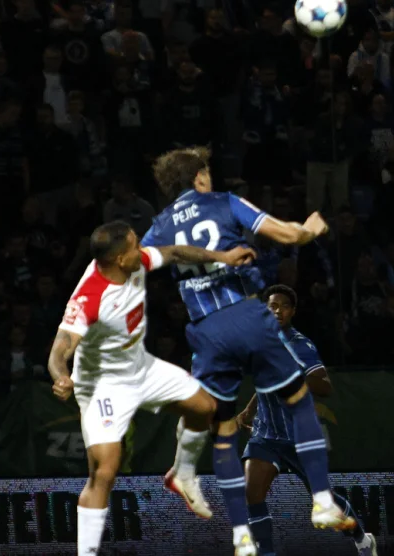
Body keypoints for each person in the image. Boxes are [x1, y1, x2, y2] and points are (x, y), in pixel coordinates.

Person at [141, 147, 352, 556]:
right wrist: (309, 229)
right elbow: (286, 234)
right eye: (207, 172)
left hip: (204, 330)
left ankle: (183, 471)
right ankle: (323, 501)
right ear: (199, 177)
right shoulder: (224, 202)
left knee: (209, 413)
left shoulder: (161, 223)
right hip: (243, 315)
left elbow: (135, 262)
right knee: (298, 398)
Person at [46, 221, 256, 556]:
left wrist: (224, 256)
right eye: (134, 245)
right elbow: (60, 349)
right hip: (103, 387)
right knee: (104, 470)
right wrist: (61, 376)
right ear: (118, 259)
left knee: (204, 408)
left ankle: (181, 475)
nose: (142, 248)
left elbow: (173, 252)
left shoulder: (136, 261)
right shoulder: (90, 297)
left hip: (141, 367)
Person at [236, 284, 378, 556]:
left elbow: (325, 386)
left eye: (283, 306)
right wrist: (249, 410)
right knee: (251, 494)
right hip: (265, 436)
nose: (277, 310)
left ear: (293, 312)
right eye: (272, 306)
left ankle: (362, 538)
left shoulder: (301, 345)